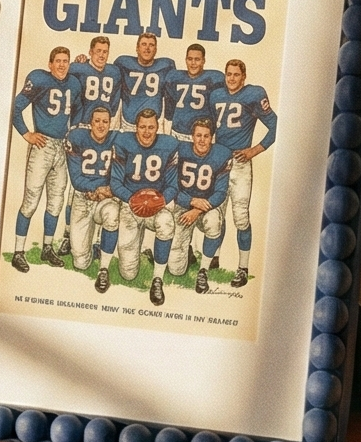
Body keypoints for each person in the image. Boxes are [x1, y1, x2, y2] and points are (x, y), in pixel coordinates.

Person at [9, 46, 80, 270]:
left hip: (61, 148)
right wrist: (26, 134)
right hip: (42, 146)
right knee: (30, 202)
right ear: (50, 64)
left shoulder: (74, 83)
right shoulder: (39, 79)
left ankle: (47, 248)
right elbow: (15, 107)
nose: (61, 65)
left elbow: (76, 111)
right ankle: (18, 252)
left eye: (65, 61)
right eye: (57, 61)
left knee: (56, 203)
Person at [209, 57, 277, 288]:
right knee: (216, 215)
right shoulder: (216, 95)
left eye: (236, 74)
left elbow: (276, 124)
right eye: (228, 74)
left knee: (240, 217)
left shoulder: (253, 94)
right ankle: (214, 258)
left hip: (239, 164)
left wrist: (254, 150)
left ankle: (243, 267)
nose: (231, 78)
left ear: (244, 76)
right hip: (218, 163)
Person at [105, 106, 179, 305]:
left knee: (167, 222)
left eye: (151, 127)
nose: (147, 132)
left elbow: (173, 185)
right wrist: (135, 200)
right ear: (136, 127)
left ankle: (157, 279)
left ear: (158, 128)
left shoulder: (169, 145)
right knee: (128, 274)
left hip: (157, 207)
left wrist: (159, 201)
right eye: (143, 127)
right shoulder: (123, 142)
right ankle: (136, 252)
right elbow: (115, 183)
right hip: (131, 206)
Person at [166, 114, 232, 293]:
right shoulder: (180, 150)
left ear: (212, 138)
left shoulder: (221, 154)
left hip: (206, 207)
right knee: (176, 270)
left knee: (214, 221)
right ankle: (184, 256)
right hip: (184, 206)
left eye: (206, 136)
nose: (202, 140)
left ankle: (203, 270)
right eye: (199, 135)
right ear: (192, 136)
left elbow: (220, 192)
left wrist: (196, 210)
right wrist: (190, 201)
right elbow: (171, 186)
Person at [64, 104, 121, 293]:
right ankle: (92, 249)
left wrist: (109, 191)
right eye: (97, 121)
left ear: (110, 123)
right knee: (80, 262)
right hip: (83, 197)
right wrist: (95, 188)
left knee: (112, 214)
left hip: (106, 198)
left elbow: (124, 175)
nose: (101, 125)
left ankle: (104, 268)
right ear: (90, 122)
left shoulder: (117, 139)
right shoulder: (77, 137)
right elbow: (76, 178)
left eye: (105, 121)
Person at [162, 42, 224, 142]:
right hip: (177, 133)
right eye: (190, 59)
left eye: (197, 59)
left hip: (202, 137)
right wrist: (166, 137)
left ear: (203, 61)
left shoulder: (214, 78)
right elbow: (168, 113)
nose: (193, 63)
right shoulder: (174, 77)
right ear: (186, 60)